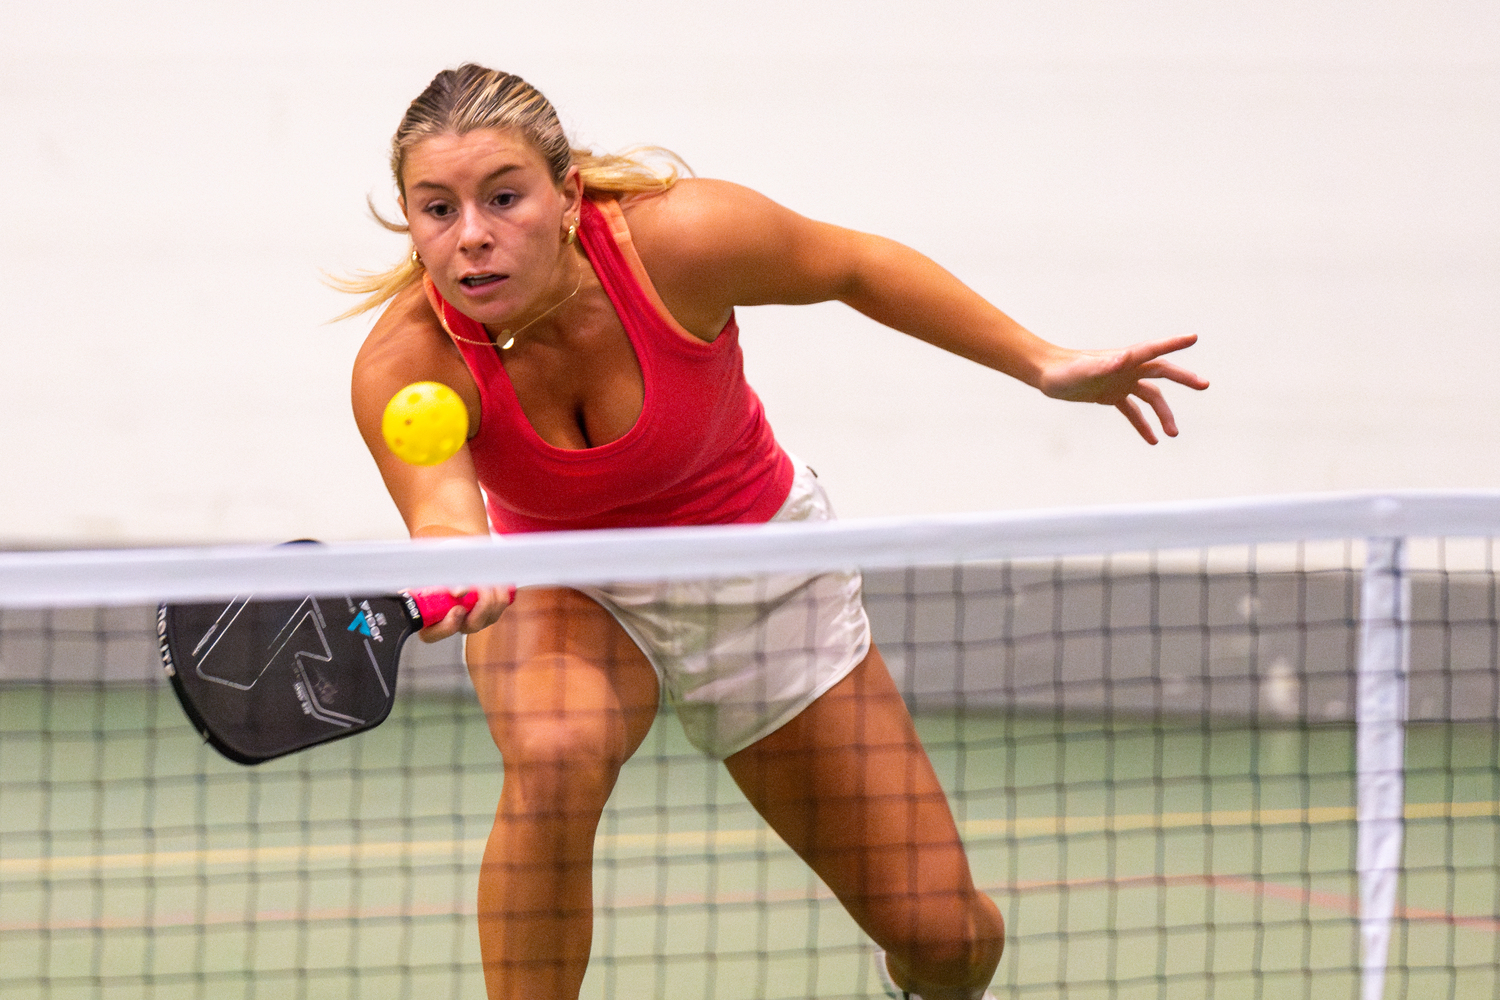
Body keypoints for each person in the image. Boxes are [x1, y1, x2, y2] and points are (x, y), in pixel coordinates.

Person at [344, 64, 1207, 1000]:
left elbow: (854, 265)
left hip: (756, 566)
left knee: (949, 941)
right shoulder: (405, 364)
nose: (472, 236)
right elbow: (445, 518)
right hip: (572, 581)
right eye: (438, 209)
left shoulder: (683, 240)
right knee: (555, 752)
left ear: (566, 196)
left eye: (503, 197)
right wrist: (460, 570)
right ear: (410, 220)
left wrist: (1043, 362)